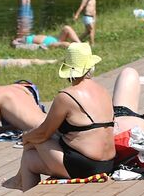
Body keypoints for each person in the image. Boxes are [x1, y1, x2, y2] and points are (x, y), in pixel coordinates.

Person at [12, 43, 116, 188]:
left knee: (34, 137)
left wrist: (25, 137)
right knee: (30, 159)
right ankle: (20, 180)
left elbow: (43, 133)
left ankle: (19, 181)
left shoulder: (67, 96)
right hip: (108, 163)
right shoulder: (104, 91)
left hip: (85, 166)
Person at [15, 24, 81, 49]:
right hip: (48, 44)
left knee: (67, 28)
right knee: (64, 44)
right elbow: (15, 44)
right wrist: (16, 41)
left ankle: (81, 44)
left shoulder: (27, 38)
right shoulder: (26, 42)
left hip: (55, 39)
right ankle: (77, 48)